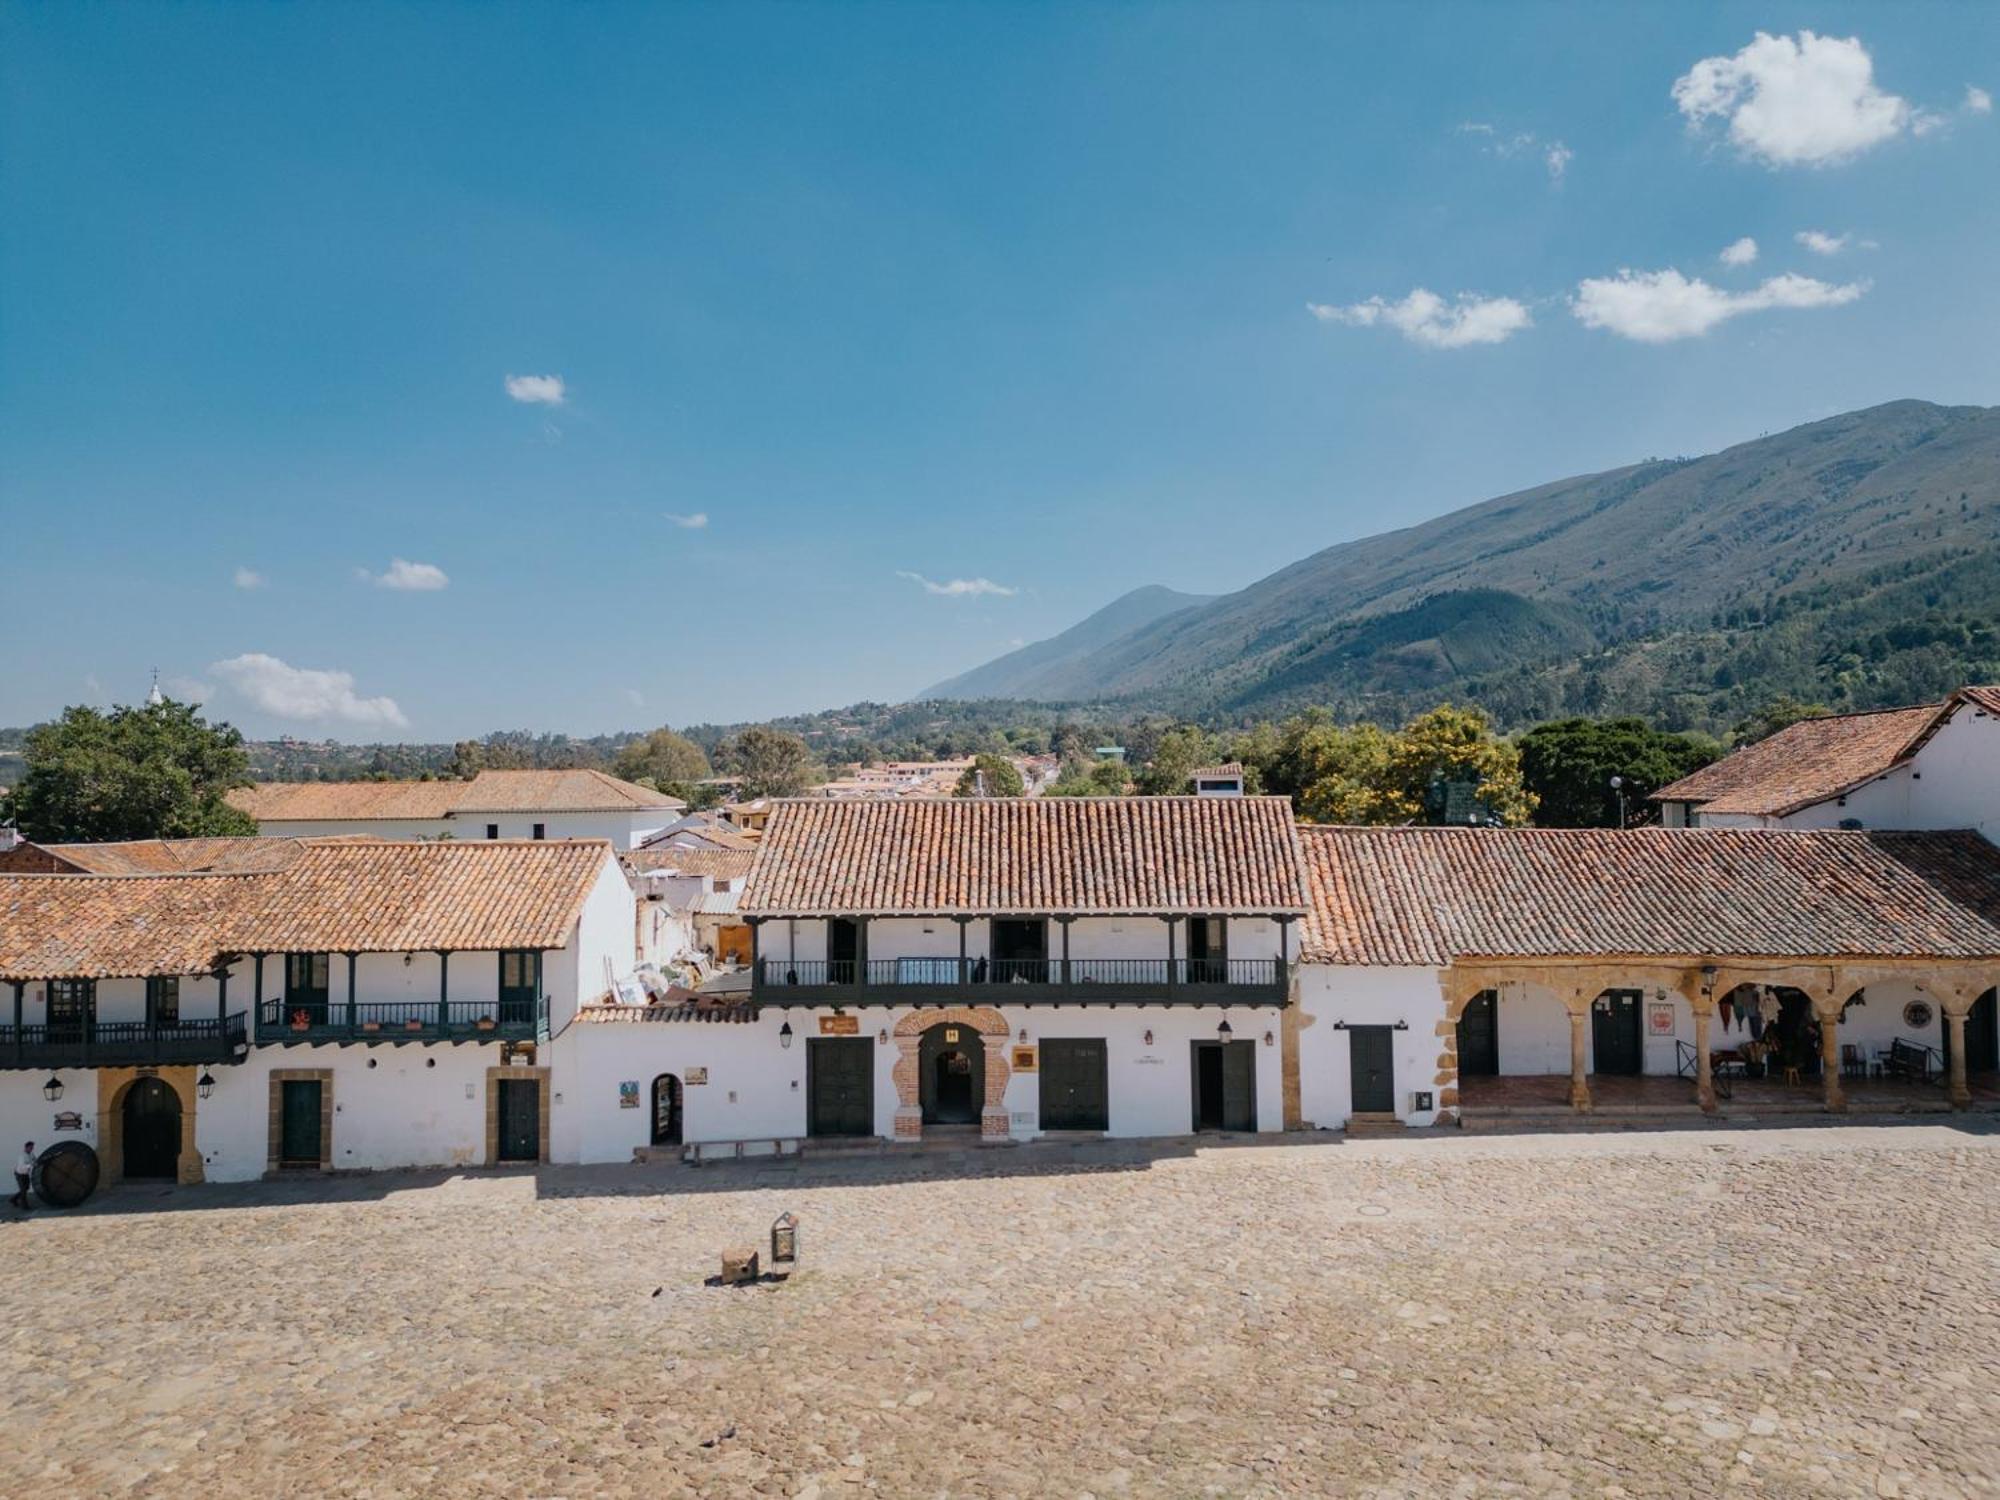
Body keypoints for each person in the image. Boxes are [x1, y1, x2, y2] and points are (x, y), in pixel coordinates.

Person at [12, 1141, 33, 1212]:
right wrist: (31, 1165)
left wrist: (36, 1161)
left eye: (32, 1148)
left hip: (25, 1174)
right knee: (23, 1190)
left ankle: (13, 1199)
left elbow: (34, 1159)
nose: (31, 1149)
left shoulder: (31, 1154)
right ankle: (25, 1206)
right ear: (26, 1147)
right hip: (19, 1174)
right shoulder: (22, 1156)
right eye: (30, 1148)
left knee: (26, 1188)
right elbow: (22, 1166)